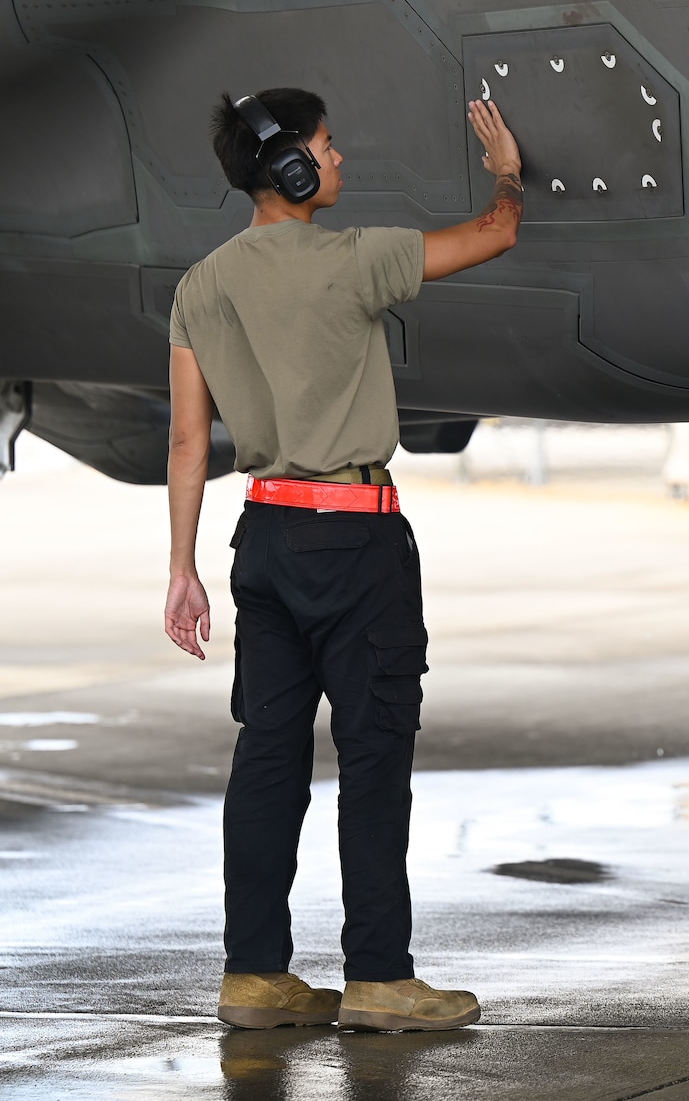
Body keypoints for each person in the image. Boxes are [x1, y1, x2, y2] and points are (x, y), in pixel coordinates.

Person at [165, 88, 524, 1031]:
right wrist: (508, 174)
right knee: (373, 756)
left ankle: (254, 975)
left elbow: (189, 443)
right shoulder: (354, 258)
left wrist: (182, 568)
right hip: (356, 540)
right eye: (325, 146)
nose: (338, 160)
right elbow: (494, 233)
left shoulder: (199, 286)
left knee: (268, 757)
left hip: (262, 538)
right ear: (289, 167)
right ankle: (378, 976)